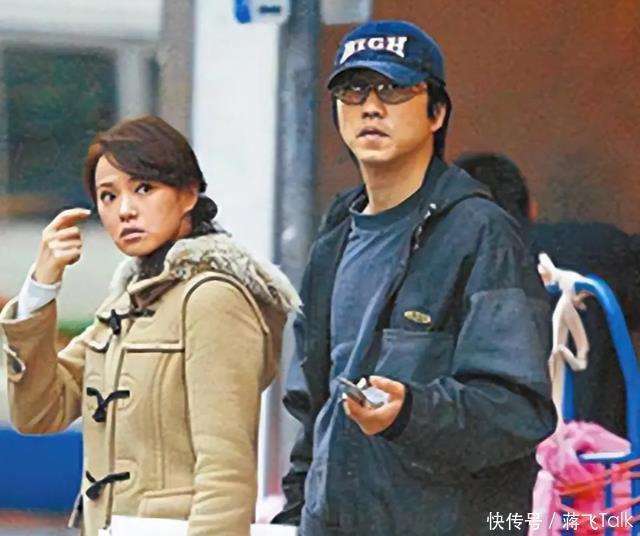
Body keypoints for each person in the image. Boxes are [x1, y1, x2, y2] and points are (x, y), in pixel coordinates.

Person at [273, 21, 555, 535]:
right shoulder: (335, 237)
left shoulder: (480, 232)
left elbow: (518, 411)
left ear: (436, 113)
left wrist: (412, 412)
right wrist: (294, 517)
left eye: (394, 89)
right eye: (353, 90)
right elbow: (313, 412)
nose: (371, 106)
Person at [0, 116, 300, 535]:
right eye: (108, 196)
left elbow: (226, 472)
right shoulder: (126, 302)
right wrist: (41, 288)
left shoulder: (213, 298)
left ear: (189, 194)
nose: (125, 210)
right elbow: (39, 413)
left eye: (144, 189)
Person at [454, 151, 638, 438]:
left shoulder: (442, 271)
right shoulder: (604, 250)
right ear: (532, 209)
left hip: (499, 454)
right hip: (599, 456)